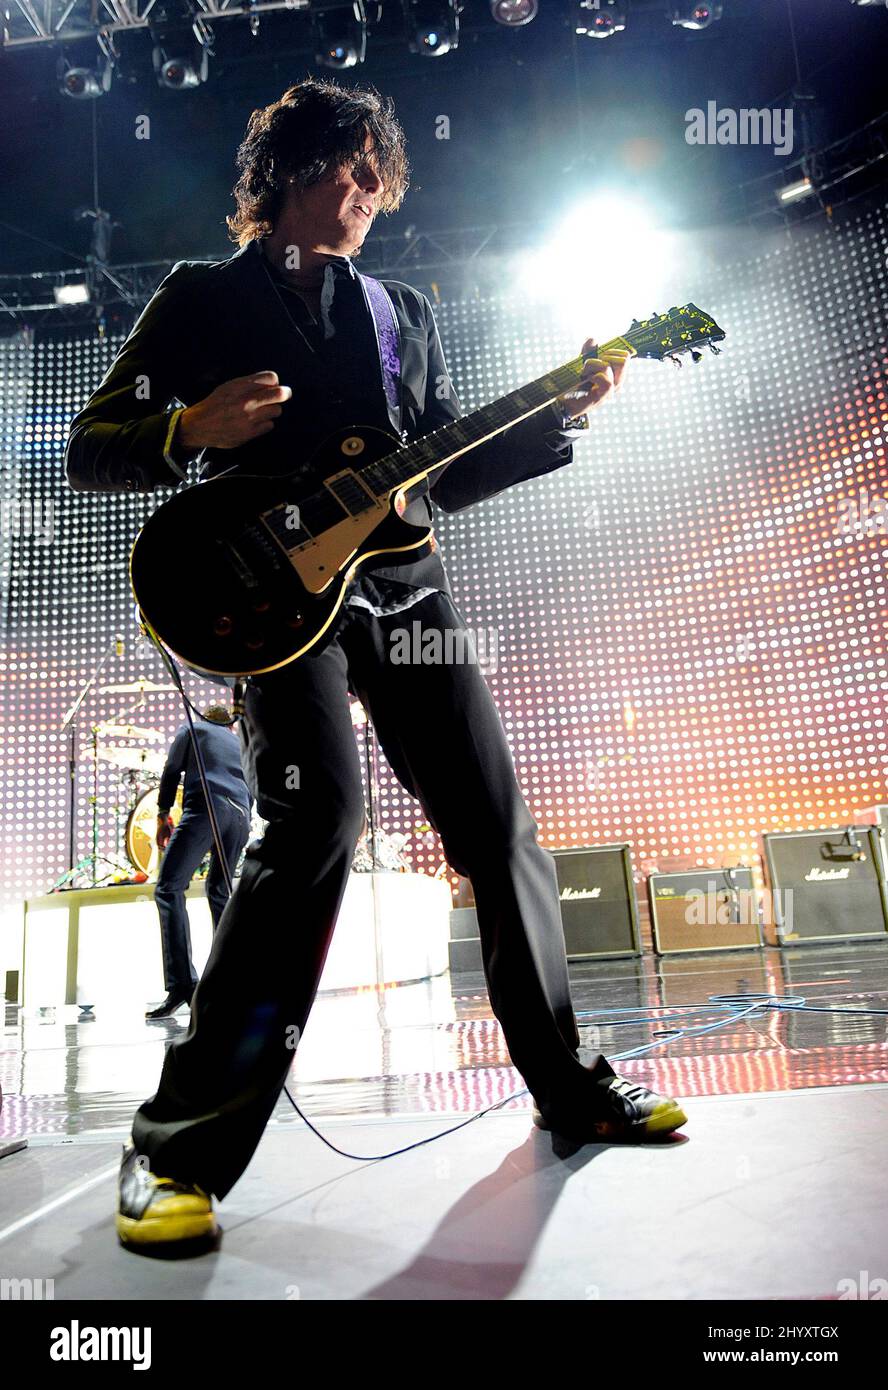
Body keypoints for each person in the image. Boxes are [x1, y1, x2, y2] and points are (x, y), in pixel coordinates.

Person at [65, 78, 687, 1252]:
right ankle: (175, 1151)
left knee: (500, 825)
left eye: (374, 178)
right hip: (265, 601)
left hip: (404, 590)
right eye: (340, 170)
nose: (360, 195)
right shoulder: (201, 298)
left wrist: (557, 415)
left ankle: (571, 1090)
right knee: (315, 825)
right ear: (284, 173)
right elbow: (92, 447)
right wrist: (186, 430)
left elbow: (436, 471)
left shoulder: (402, 307)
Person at [148, 704, 252, 1020]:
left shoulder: (192, 728)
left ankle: (182, 985)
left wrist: (163, 813)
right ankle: (231, 982)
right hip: (240, 816)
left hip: (208, 808)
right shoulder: (238, 743)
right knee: (220, 891)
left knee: (168, 890)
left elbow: (170, 771)